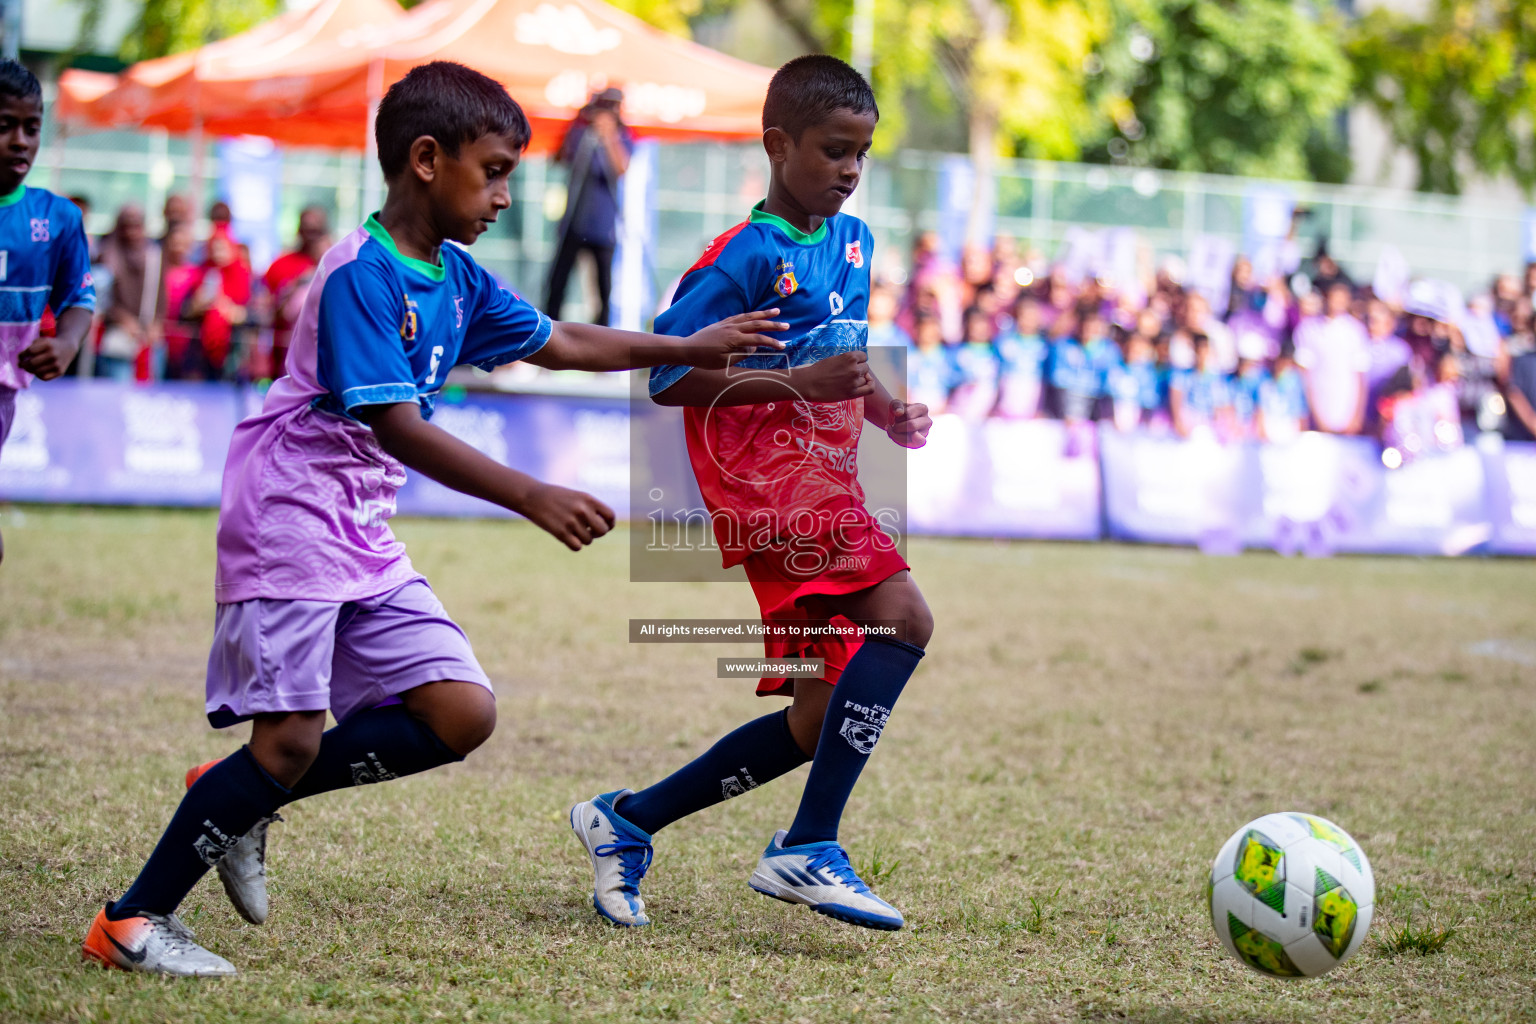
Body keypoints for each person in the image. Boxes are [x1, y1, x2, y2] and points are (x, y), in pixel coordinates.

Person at [79, 60, 786, 978]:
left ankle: (236, 796)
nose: (502, 196)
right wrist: (531, 493)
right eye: (492, 171)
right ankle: (131, 923)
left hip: (360, 525)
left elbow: (561, 340)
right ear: (425, 159)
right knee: (288, 739)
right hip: (291, 510)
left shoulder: (456, 276)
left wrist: (683, 344)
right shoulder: (359, 277)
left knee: (460, 713)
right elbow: (396, 426)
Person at [569, 55, 933, 933]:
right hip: (766, 479)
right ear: (778, 146)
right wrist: (802, 386)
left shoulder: (856, 241)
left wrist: (882, 410)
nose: (850, 170)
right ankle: (809, 845)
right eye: (833, 150)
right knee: (906, 618)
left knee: (813, 719)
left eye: (862, 154)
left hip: (829, 473)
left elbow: (839, 353)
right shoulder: (742, 256)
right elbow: (665, 379)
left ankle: (627, 821)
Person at [0, 59, 95, 564]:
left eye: (31, 127)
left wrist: (66, 342)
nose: (20, 140)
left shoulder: (57, 219)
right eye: (5, 126)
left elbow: (78, 297)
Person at [544, 88, 631, 325]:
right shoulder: (581, 133)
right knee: (557, 283)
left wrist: (609, 136)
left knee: (603, 288)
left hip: (603, 226)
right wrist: (578, 119)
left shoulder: (621, 136)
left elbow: (622, 169)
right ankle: (549, 334)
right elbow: (559, 158)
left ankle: (603, 337)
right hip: (574, 221)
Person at [262, 205, 331, 379]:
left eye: (316, 230)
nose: (310, 234)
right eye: (306, 228)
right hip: (284, 359)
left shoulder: (336, 267)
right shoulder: (280, 265)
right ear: (298, 229)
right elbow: (267, 309)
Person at [1294, 281, 1369, 435]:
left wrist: (1357, 415)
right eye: (1333, 298)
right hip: (1319, 400)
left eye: (1341, 299)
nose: (1337, 303)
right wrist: (1312, 412)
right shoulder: (1308, 328)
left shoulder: (1356, 331)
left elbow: (1360, 375)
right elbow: (1304, 374)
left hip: (1347, 402)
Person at [179, 225, 252, 380]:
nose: (218, 253)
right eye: (215, 248)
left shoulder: (242, 274)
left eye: (222, 248)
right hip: (201, 348)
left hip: (232, 348)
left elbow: (252, 313)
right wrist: (198, 304)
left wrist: (233, 312)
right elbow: (186, 311)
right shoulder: (202, 273)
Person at [95, 204, 159, 381]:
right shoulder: (107, 254)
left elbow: (161, 295)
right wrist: (123, 319)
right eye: (126, 226)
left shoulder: (154, 256)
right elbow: (101, 299)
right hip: (118, 334)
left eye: (136, 225)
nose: (131, 232)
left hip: (148, 336)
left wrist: (156, 323)